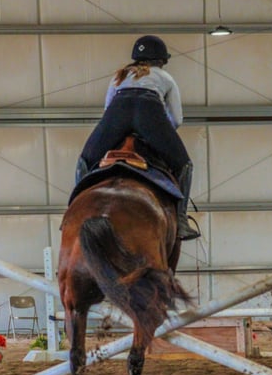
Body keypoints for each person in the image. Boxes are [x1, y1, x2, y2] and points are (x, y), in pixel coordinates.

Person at [75, 35, 200, 241]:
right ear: (162, 60)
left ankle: (76, 210)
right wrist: (155, 135)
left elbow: (107, 109)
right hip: (149, 116)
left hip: (117, 116)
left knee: (85, 160)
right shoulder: (165, 78)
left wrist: (120, 131)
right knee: (185, 165)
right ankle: (180, 221)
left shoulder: (120, 76)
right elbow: (176, 119)